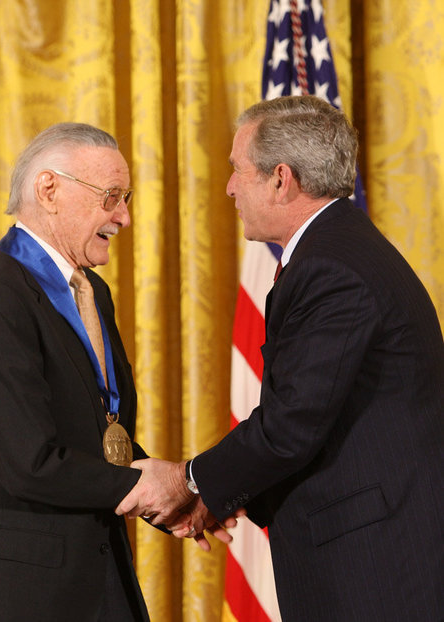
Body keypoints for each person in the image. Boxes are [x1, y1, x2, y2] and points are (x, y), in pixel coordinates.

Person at [116, 96, 444, 621]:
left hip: (374, 569)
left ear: (280, 179)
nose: (228, 187)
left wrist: (190, 481)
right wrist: (218, 497)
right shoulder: (341, 251)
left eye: (236, 170)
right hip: (372, 555)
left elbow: (291, 425)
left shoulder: (331, 269)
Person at [0, 122, 149, 621]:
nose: (124, 216)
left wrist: (178, 498)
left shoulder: (93, 294)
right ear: (49, 190)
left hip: (104, 579)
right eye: (111, 197)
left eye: (127, 197)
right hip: (27, 593)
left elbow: (99, 437)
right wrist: (147, 487)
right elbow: (28, 460)